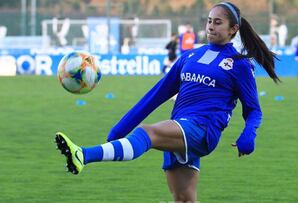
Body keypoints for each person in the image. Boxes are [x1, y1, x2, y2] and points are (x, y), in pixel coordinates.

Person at [55, 2, 280, 202]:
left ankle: (83, 155)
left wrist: (249, 134)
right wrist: (122, 127)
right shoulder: (190, 57)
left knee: (148, 133)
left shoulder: (239, 64)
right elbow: (157, 94)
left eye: (218, 23)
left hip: (202, 130)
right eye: (209, 21)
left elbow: (253, 110)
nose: (211, 26)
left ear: (233, 29)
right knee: (184, 200)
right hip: (179, 128)